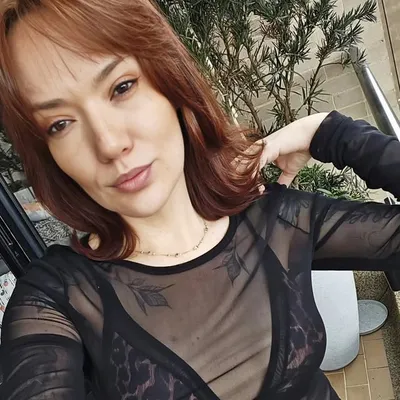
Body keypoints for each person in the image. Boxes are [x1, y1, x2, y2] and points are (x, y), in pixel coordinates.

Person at [0, 1, 400, 399]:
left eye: (122, 88)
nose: (109, 144)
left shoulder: (277, 220)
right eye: (60, 124)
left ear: (169, 82)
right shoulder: (58, 301)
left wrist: (327, 132)